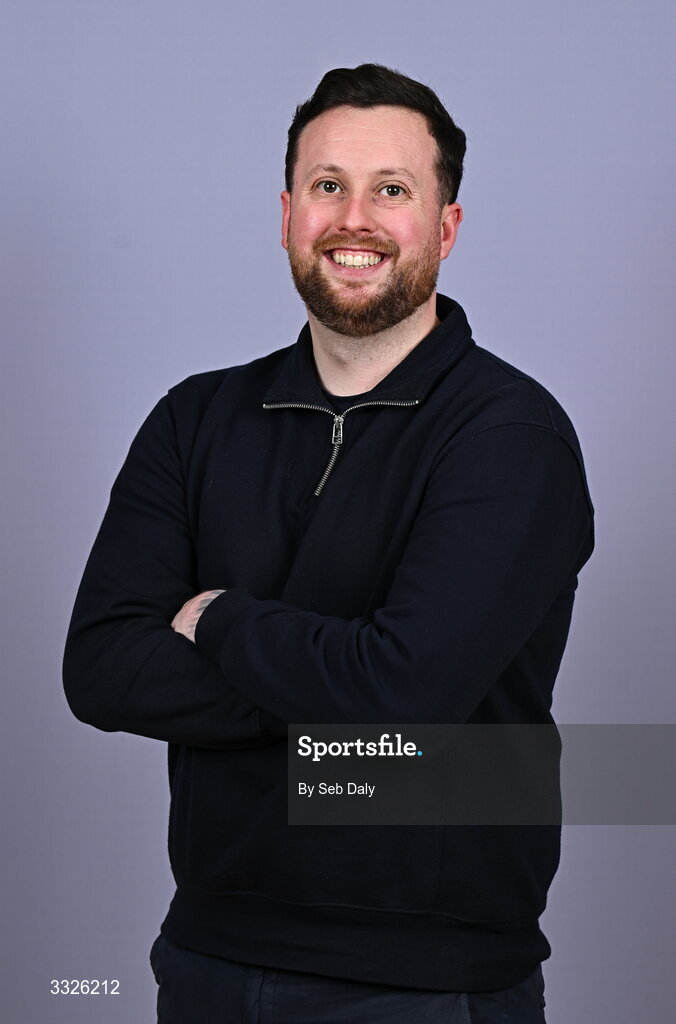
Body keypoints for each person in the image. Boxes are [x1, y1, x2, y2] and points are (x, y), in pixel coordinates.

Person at [63, 63, 594, 1023]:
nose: (355, 218)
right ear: (287, 214)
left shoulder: (510, 438)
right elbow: (100, 669)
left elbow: (406, 692)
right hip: (206, 958)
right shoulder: (195, 420)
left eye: (392, 189)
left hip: (429, 984)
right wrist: (347, 681)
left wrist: (217, 617)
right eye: (327, 186)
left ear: (447, 226)